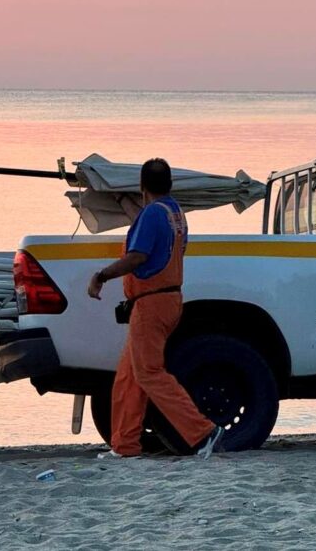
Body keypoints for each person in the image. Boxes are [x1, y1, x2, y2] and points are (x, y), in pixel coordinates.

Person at [87, 158, 224, 459]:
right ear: (170, 184)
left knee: (149, 373)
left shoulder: (153, 215)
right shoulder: (174, 212)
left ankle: (204, 431)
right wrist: (123, 201)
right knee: (130, 375)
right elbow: (143, 222)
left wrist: (101, 276)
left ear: (142, 186)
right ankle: (124, 446)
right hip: (168, 300)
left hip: (151, 304)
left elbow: (136, 256)